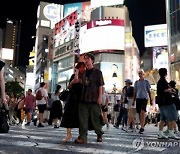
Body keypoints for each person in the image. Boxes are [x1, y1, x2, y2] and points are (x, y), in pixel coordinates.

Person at [74, 53, 104, 144]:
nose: (86, 61)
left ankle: (99, 133)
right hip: (83, 99)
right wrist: (76, 72)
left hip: (94, 99)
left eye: (87, 59)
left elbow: (100, 85)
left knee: (96, 119)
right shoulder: (83, 72)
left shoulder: (98, 72)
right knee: (83, 119)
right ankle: (82, 137)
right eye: (85, 59)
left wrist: (100, 97)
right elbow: (77, 81)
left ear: (92, 60)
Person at [60, 62, 86, 142]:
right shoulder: (73, 76)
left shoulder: (86, 76)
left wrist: (78, 79)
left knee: (81, 118)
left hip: (81, 99)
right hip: (71, 98)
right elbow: (69, 86)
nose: (82, 69)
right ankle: (68, 134)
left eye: (83, 67)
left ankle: (81, 136)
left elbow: (84, 84)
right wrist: (74, 78)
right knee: (68, 115)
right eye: (80, 67)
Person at [156, 68, 179, 139]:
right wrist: (171, 90)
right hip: (167, 102)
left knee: (163, 118)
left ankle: (160, 133)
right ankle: (171, 133)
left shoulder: (160, 81)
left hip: (161, 103)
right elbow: (165, 90)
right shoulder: (163, 81)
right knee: (173, 117)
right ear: (165, 73)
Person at [133, 69, 152, 134]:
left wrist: (151, 99)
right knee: (139, 113)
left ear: (143, 74)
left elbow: (149, 91)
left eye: (141, 73)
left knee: (142, 111)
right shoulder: (136, 82)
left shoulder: (146, 82)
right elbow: (135, 92)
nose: (140, 74)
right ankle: (141, 125)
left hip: (144, 98)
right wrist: (133, 100)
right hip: (138, 98)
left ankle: (142, 127)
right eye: (139, 73)